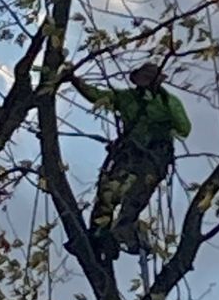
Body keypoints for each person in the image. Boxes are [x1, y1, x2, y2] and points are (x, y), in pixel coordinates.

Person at [70, 62, 191, 258]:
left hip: (154, 157)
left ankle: (121, 234)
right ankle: (98, 235)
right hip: (129, 153)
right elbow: (97, 95)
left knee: (135, 195)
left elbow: (184, 129)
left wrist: (164, 119)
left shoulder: (168, 102)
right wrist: (75, 81)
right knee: (108, 191)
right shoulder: (126, 98)